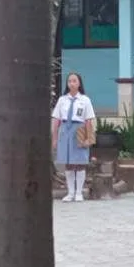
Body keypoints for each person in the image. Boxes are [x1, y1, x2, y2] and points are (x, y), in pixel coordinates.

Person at [51, 72, 96, 203]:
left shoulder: (85, 100)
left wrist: (88, 137)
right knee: (68, 162)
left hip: (79, 129)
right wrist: (54, 138)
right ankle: (70, 192)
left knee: (80, 162)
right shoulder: (62, 100)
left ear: (79, 83)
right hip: (65, 130)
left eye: (74, 81)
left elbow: (88, 120)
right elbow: (56, 120)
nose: (72, 83)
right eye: (69, 81)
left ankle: (79, 192)